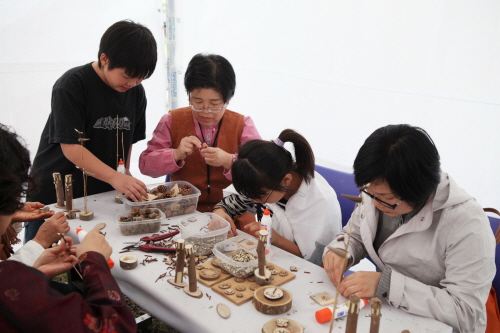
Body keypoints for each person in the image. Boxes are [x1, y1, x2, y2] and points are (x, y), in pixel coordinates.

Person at [323, 124, 495, 333]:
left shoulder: (467, 223)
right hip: (390, 314)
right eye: (369, 193)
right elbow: (356, 234)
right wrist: (341, 251)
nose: (375, 204)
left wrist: (387, 284)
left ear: (420, 190)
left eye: (387, 199)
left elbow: (464, 313)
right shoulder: (378, 192)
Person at [25, 20, 158, 242]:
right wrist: (116, 177)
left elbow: (128, 140)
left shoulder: (136, 92)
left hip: (99, 196)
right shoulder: (72, 85)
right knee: (40, 265)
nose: (134, 82)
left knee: (91, 264)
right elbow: (71, 147)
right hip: (55, 197)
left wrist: (124, 174)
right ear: (105, 59)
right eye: (128, 75)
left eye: (141, 77)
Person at [0, 124, 136, 332]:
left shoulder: (13, 282)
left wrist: (33, 273)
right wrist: (94, 261)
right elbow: (116, 327)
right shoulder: (11, 285)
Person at [139, 53, 260, 212]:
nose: (205, 111)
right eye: (197, 102)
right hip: (181, 210)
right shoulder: (171, 121)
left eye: (214, 104)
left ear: (228, 99)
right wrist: (176, 154)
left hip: (232, 211)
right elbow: (145, 165)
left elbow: (261, 173)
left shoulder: (243, 125)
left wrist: (229, 160)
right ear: (188, 95)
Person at [212, 129, 342, 265]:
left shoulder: (320, 203)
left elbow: (314, 261)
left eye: (259, 197)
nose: (254, 201)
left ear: (286, 180)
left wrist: (274, 238)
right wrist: (220, 212)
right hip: (275, 258)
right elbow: (236, 202)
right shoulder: (266, 181)